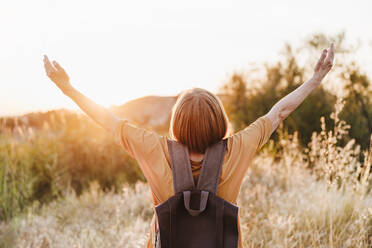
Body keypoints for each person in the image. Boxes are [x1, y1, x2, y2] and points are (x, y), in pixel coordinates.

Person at [43, 43, 334, 248]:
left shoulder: (153, 148)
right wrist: (315, 79)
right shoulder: (237, 148)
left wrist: (67, 88)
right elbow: (278, 112)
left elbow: (106, 119)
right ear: (218, 119)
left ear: (177, 122)